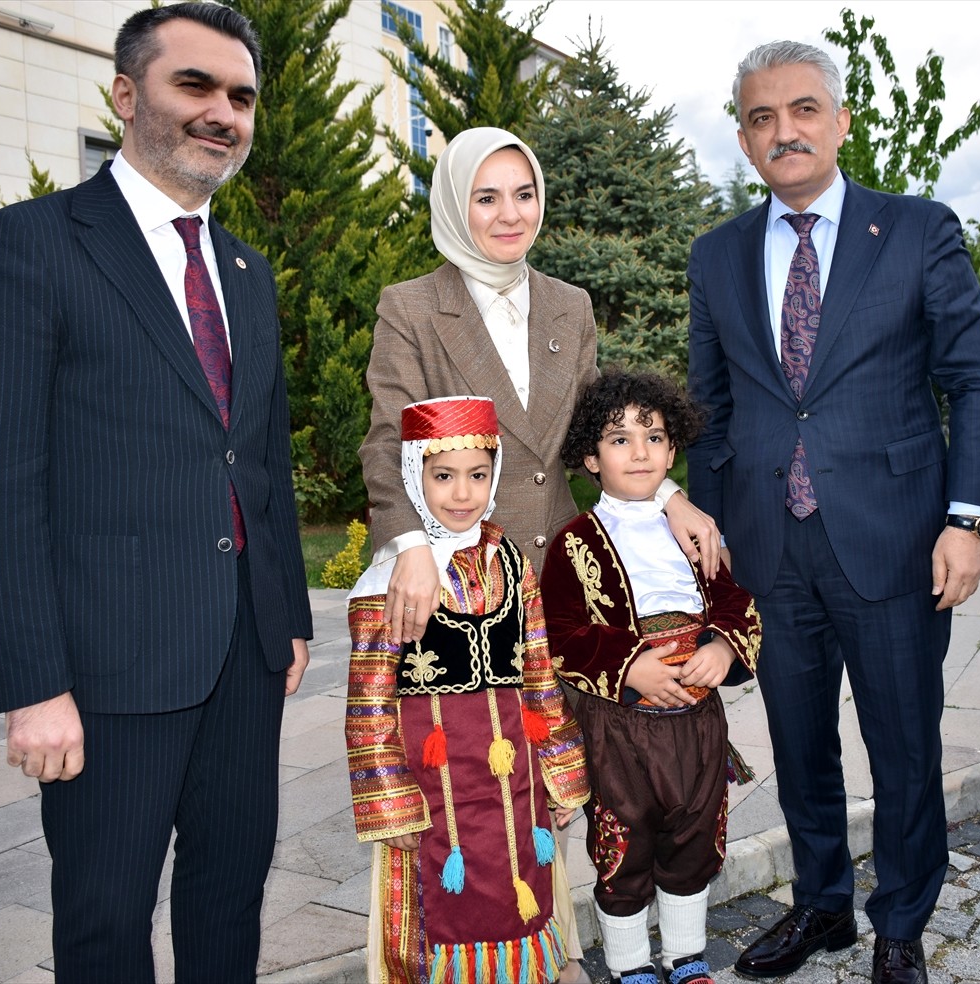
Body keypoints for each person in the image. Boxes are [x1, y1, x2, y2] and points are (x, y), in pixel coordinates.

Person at [0, 5, 312, 981]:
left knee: (230, 895)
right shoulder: (27, 245)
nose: (223, 112)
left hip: (246, 655)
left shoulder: (246, 271)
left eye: (241, 96)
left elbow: (259, 458)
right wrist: (33, 686)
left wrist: (288, 618)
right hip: (104, 668)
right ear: (126, 95)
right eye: (196, 84)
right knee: (106, 920)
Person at [359, 125, 721, 980]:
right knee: (472, 790)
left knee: (565, 773)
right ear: (456, 206)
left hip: (557, 579)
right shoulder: (412, 306)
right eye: (486, 197)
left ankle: (551, 947)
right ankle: (457, 958)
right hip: (460, 585)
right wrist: (410, 546)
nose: (509, 214)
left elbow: (600, 434)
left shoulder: (570, 304)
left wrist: (669, 496)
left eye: (523, 194)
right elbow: (387, 442)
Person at [685, 41, 980, 984]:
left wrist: (968, 520)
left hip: (896, 541)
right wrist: (710, 546)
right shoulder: (717, 254)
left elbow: (976, 383)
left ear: (840, 120)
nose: (783, 131)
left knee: (903, 745)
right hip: (766, 549)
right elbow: (709, 414)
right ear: (744, 137)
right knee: (798, 743)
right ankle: (821, 904)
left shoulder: (916, 229)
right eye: (761, 117)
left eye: (802, 110)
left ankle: (901, 922)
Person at [345, 395, 591, 984]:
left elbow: (538, 674)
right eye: (444, 476)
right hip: (433, 782)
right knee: (444, 904)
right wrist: (391, 803)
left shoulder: (511, 563)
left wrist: (563, 773)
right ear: (414, 475)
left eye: (478, 475)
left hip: (516, 774)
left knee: (520, 885)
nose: (463, 493)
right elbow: (370, 705)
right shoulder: (391, 577)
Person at [540, 373, 762, 984]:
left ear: (671, 452)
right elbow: (560, 632)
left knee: (695, 837)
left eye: (654, 437)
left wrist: (723, 647)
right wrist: (629, 664)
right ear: (591, 458)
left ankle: (686, 957)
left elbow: (735, 600)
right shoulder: (574, 543)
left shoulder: (692, 530)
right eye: (620, 439)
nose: (639, 452)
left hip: (697, 723)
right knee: (624, 843)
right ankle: (629, 964)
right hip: (620, 729)